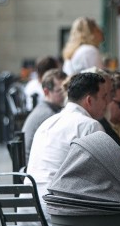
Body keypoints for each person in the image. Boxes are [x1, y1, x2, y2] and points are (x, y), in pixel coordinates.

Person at [26, 71, 110, 206]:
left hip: (29, 212)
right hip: (60, 215)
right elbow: (107, 176)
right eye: (104, 97)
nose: (107, 103)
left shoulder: (47, 123)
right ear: (89, 100)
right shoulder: (90, 126)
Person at [21, 69, 67, 159]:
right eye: (60, 91)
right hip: (32, 168)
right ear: (46, 92)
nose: (65, 95)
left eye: (66, 90)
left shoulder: (45, 108)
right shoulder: (50, 115)